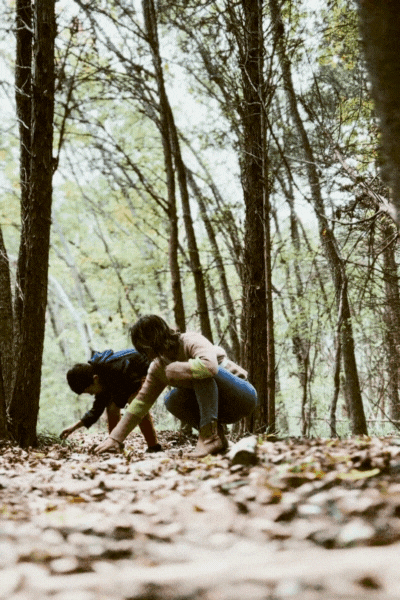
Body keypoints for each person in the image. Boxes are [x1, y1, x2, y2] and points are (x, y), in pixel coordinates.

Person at [94, 315, 257, 458]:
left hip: (242, 397)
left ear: (154, 341)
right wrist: (114, 438)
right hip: (218, 407)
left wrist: (177, 368)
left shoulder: (190, 341)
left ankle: (208, 436)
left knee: (200, 372)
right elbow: (141, 403)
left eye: (144, 348)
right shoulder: (158, 366)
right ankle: (217, 438)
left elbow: (210, 367)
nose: (144, 354)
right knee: (171, 399)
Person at [61, 348, 162, 452]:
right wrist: (74, 427)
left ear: (95, 379)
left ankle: (153, 446)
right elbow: (97, 409)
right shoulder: (102, 379)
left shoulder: (114, 369)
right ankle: (113, 444)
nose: (91, 394)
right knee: (111, 406)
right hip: (133, 379)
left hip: (151, 368)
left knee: (135, 403)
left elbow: (133, 389)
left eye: (89, 391)